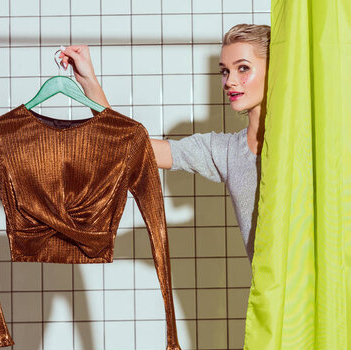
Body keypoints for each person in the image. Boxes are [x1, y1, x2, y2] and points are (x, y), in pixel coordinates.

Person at [58, 23, 270, 262]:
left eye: (243, 68)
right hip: (268, 294)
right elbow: (128, 145)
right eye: (225, 71)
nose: (230, 81)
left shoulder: (309, 143)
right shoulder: (227, 152)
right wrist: (89, 82)